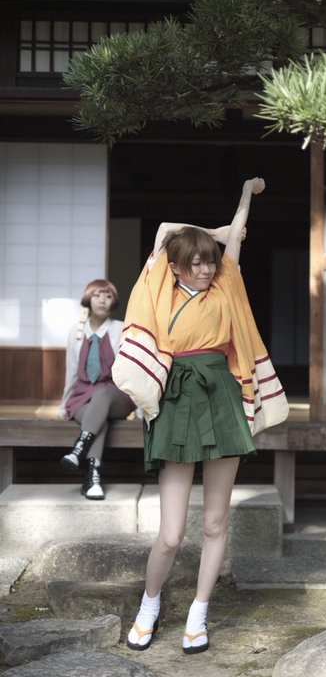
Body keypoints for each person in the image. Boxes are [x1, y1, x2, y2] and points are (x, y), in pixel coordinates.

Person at [112, 177, 289, 654]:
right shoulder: (160, 286)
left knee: (214, 523)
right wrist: (210, 233)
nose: (207, 268)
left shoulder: (226, 281)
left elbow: (236, 234)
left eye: (210, 260)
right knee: (171, 534)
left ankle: (198, 614)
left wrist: (246, 196)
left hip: (221, 396)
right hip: (177, 398)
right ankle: (149, 605)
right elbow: (166, 230)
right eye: (196, 262)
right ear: (175, 266)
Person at [59, 279, 135, 500]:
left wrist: (141, 407)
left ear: (114, 302)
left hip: (115, 395)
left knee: (102, 395)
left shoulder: (120, 328)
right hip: (82, 396)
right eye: (97, 295)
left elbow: (131, 370)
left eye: (108, 296)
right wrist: (64, 404)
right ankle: (93, 478)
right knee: (97, 419)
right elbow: (72, 370)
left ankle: (78, 450)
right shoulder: (75, 331)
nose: (102, 300)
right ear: (88, 299)